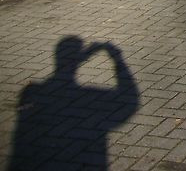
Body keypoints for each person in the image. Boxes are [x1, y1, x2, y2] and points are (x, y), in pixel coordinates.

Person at [8, 36, 139, 170]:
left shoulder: (32, 92)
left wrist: (81, 57)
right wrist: (116, 58)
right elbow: (129, 100)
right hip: (88, 160)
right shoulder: (88, 96)